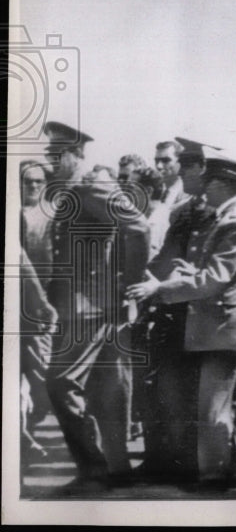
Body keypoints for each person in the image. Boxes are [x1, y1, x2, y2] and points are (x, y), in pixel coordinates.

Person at [127, 152, 236, 490]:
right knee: (210, 408)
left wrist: (159, 288)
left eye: (208, 185)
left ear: (221, 184)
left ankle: (215, 478)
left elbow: (213, 279)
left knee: (213, 410)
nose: (203, 192)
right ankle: (230, 470)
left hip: (226, 327)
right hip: (213, 324)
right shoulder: (226, 215)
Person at [42, 121, 151, 493]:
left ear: (76, 154)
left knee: (59, 383)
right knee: (108, 387)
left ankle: (94, 469)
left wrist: (129, 283)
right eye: (49, 155)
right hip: (86, 305)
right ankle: (116, 468)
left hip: (88, 307)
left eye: (58, 156)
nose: (51, 162)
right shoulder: (71, 189)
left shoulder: (92, 186)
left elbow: (137, 226)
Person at [19, 160, 56, 454]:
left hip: (39, 308)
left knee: (44, 384)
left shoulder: (52, 217)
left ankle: (26, 431)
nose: (33, 186)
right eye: (27, 181)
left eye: (38, 181)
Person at [154, 140, 188, 208]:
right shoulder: (156, 189)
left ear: (180, 162)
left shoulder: (187, 193)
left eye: (165, 160)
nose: (159, 166)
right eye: (156, 161)